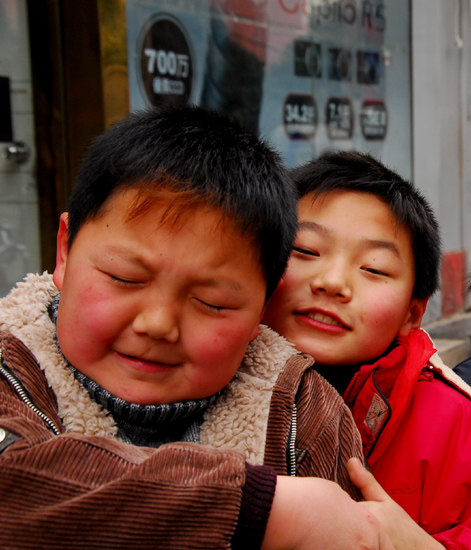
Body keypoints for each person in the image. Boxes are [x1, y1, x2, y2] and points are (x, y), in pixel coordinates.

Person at [0, 108, 394, 549]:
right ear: (66, 251)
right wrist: (265, 511)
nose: (157, 325)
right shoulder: (9, 368)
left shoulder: (305, 414)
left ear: (261, 308)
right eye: (125, 277)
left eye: (213, 302)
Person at [262, 150, 471, 550]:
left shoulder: (458, 422)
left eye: (373, 268)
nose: (332, 282)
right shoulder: (189, 377)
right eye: (305, 250)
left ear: (413, 312)